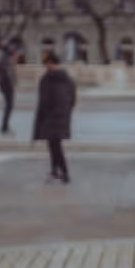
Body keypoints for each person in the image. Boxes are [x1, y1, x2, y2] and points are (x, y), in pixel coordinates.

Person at [33, 51, 77, 183]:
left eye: (46, 64)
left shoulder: (47, 79)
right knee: (54, 145)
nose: (45, 66)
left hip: (50, 118)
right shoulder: (68, 78)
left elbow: (43, 101)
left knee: (55, 146)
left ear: (50, 63)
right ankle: (55, 171)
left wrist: (41, 118)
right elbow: (73, 99)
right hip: (63, 117)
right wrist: (66, 112)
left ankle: (64, 173)